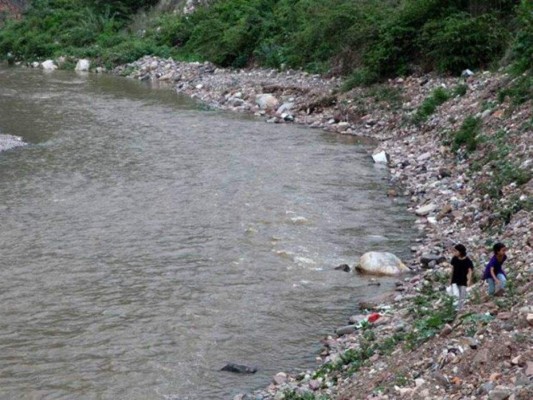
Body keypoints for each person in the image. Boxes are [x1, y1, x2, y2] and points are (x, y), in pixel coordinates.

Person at [450, 244, 474, 310]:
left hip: (463, 280)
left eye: (456, 251)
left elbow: (470, 271)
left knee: (462, 296)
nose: (454, 252)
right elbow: (452, 269)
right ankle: (455, 309)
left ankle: (460, 310)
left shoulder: (467, 261)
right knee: (456, 295)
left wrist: (468, 280)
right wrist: (450, 280)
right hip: (455, 279)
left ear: (460, 252)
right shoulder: (454, 259)